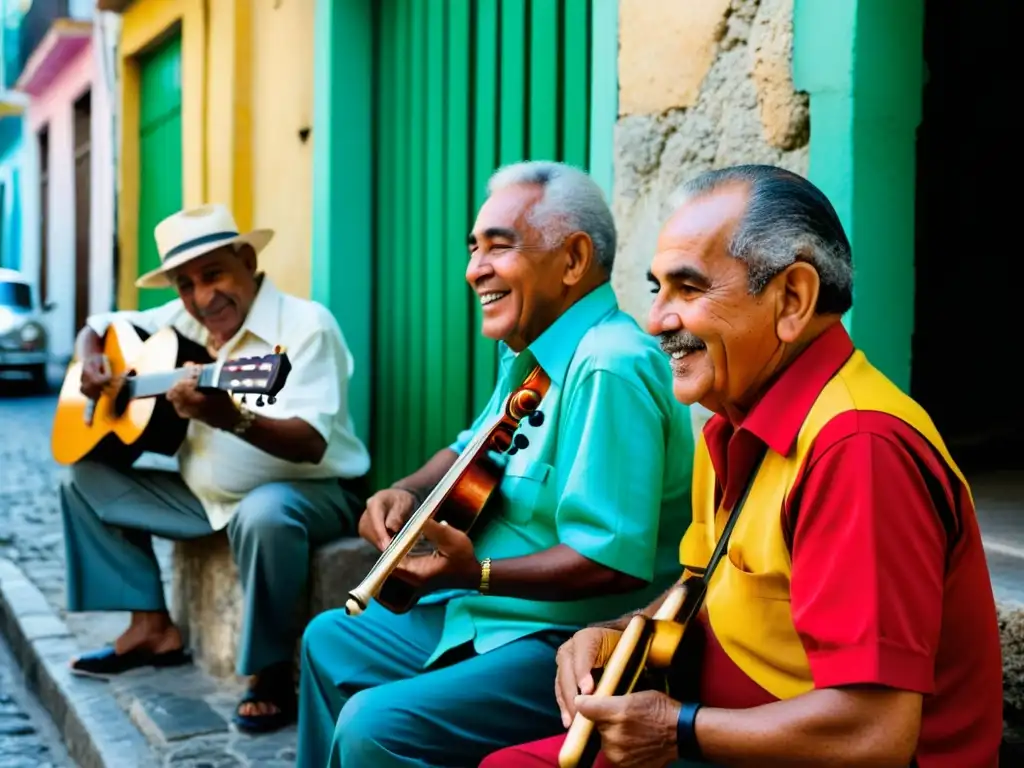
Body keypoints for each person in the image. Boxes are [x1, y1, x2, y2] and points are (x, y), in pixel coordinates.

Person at [481, 165, 1004, 767]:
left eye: (690, 288)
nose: (656, 322)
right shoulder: (728, 426)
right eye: (658, 290)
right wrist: (620, 633)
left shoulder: (858, 448)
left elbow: (874, 732)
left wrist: (676, 728)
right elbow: (699, 594)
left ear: (792, 300)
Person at [295, 161, 695, 767]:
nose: (473, 269)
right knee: (330, 640)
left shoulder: (610, 365)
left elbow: (608, 562)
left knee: (373, 727)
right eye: (473, 248)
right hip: (485, 614)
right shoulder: (531, 355)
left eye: (498, 247)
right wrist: (401, 490)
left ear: (572, 259)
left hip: (566, 641)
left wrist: (474, 574)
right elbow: (467, 448)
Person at [58, 203, 370, 734]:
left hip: (309, 491)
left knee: (265, 513)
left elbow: (312, 444)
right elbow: (97, 325)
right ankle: (151, 627)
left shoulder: (305, 327)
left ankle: (270, 669)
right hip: (202, 499)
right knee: (81, 476)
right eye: (186, 284)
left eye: (214, 274)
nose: (203, 297)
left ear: (246, 259)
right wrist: (91, 358)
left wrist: (233, 418)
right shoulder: (182, 320)